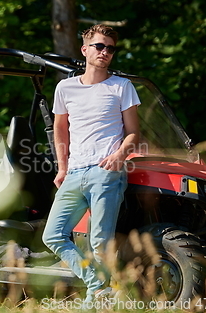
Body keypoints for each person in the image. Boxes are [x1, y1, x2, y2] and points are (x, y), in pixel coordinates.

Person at [42, 24, 140, 302]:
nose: (105, 52)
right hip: (74, 172)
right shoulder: (65, 87)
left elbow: (134, 132)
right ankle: (98, 286)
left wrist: (119, 155)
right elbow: (61, 130)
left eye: (110, 48)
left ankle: (96, 297)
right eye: (99, 46)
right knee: (53, 236)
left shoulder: (122, 86)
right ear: (85, 49)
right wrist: (62, 168)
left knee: (99, 241)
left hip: (106, 172)